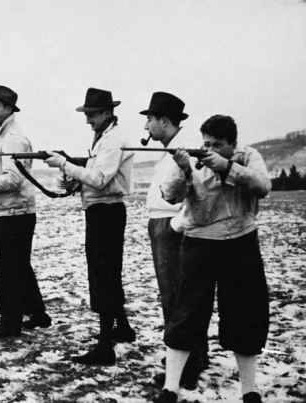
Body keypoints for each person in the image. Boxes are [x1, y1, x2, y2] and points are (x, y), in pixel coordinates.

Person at [156, 115, 270, 403]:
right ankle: (170, 388)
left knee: (246, 315)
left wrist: (228, 167)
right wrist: (183, 168)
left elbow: (263, 186)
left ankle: (249, 390)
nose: (209, 150)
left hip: (241, 242)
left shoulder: (248, 156)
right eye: (206, 144)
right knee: (186, 314)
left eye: (218, 145)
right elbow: (170, 195)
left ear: (233, 144)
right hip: (200, 244)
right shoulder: (196, 162)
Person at [45, 88, 135, 365]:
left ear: (108, 112)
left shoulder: (112, 140)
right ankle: (122, 328)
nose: (88, 119)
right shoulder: (105, 137)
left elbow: (98, 179)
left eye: (92, 114)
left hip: (106, 211)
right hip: (102, 210)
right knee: (107, 272)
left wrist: (65, 164)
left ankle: (105, 346)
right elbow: (94, 175)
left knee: (102, 275)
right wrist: (70, 172)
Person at [0, 85, 51, 338]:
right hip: (12, 210)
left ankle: (10, 323)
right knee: (19, 266)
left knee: (8, 270)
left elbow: (13, 179)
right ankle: (38, 314)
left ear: (8, 108)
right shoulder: (4, 135)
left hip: (15, 212)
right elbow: (3, 174)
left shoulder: (13, 137)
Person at [139, 92, 209, 389]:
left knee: (176, 297)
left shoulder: (182, 150)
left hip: (171, 227)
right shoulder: (172, 148)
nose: (146, 126)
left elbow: (192, 191)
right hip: (166, 224)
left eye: (150, 120)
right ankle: (194, 355)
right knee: (181, 296)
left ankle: (187, 365)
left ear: (164, 121)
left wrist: (174, 225)